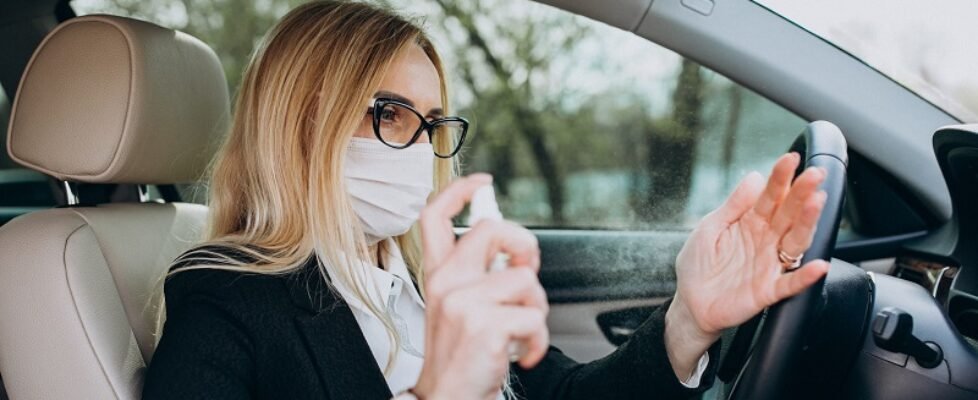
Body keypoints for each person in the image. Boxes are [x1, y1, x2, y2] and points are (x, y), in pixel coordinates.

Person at [141, 2, 830, 399]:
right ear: (300, 122)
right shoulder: (225, 294)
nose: (418, 147)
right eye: (390, 113)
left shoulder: (419, 277)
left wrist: (688, 320)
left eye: (433, 123)